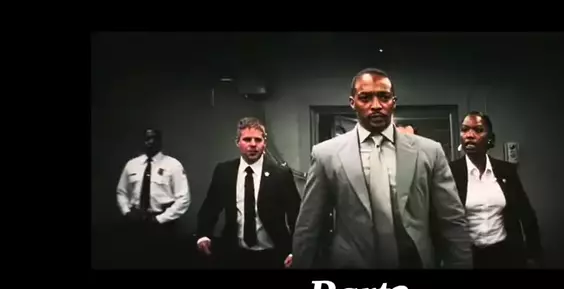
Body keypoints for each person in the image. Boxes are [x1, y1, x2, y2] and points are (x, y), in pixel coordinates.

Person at [292, 68, 473, 269]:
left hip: (414, 262)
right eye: (365, 98)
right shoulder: (326, 154)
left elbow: (452, 220)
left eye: (384, 97)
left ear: (394, 102)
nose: (376, 105)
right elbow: (309, 225)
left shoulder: (429, 152)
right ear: (352, 102)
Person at [196, 117, 300, 269]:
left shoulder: (281, 174)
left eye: (258, 140)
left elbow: (295, 214)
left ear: (264, 143)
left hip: (273, 254)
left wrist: (295, 250)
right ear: (237, 142)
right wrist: (203, 235)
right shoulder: (224, 171)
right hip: (234, 253)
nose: (253, 144)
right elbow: (210, 207)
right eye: (247, 139)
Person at [449, 111, 543, 269]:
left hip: (505, 254)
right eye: (464, 129)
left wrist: (534, 254)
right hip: (468, 257)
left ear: (490, 139)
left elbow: (526, 214)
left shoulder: (506, 171)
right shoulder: (450, 172)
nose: (469, 135)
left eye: (478, 130)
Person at [116, 128, 191, 268]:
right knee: (133, 261)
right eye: (147, 139)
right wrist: (126, 212)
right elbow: (121, 192)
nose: (150, 142)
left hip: (162, 225)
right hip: (135, 223)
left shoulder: (173, 165)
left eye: (154, 138)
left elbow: (183, 198)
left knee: (160, 262)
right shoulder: (132, 165)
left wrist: (160, 219)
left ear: (160, 141)